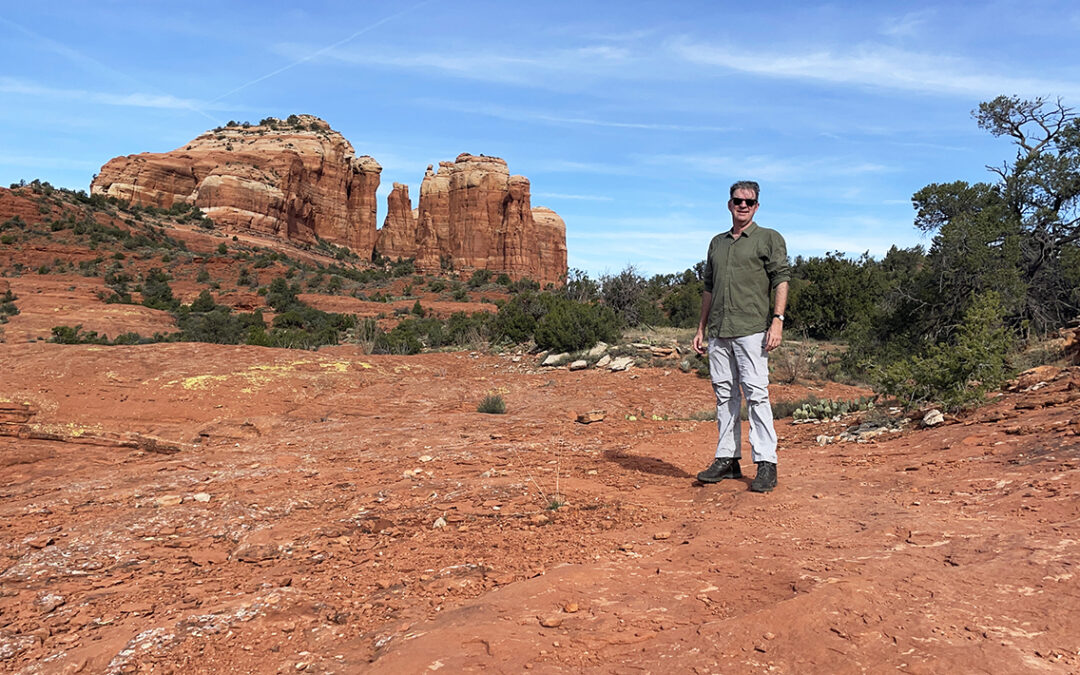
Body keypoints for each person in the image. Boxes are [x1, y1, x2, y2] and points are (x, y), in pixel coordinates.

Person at [692, 180, 790, 492]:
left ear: (757, 206)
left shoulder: (768, 238)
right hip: (720, 331)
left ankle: (766, 463)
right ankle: (728, 459)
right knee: (725, 396)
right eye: (738, 200)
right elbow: (709, 287)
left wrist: (777, 320)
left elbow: (781, 280)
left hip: (751, 331)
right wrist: (701, 328)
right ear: (729, 204)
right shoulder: (717, 243)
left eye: (749, 201)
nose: (743, 206)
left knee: (757, 395)